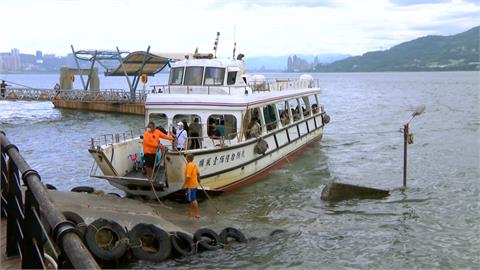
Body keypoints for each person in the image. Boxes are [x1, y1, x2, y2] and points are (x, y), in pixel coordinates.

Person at [183, 153, 200, 219]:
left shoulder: (189, 165)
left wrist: (184, 185)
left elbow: (188, 177)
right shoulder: (194, 164)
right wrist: (199, 180)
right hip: (194, 184)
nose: (185, 158)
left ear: (188, 158)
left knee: (193, 199)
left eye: (186, 157)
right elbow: (198, 174)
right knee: (191, 199)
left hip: (190, 185)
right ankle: (191, 212)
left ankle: (197, 214)